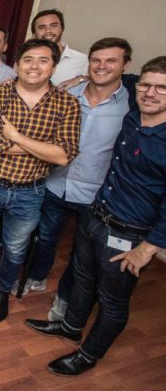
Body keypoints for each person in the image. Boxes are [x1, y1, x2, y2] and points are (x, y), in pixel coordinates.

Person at [24, 56, 166, 377]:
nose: (150, 92)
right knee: (83, 278)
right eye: (146, 84)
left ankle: (88, 355)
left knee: (112, 300)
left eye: (162, 88)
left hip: (129, 232)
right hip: (96, 213)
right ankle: (70, 327)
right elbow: (112, 75)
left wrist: (149, 247)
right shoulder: (133, 118)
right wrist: (73, 82)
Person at [0, 39, 81, 322]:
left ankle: (1, 291)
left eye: (43, 60)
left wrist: (17, 137)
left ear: (53, 66)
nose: (35, 66)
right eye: (28, 59)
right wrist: (43, 146)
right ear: (18, 64)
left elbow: (64, 155)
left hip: (29, 191)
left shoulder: (67, 104)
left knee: (16, 247)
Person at [15, 38, 132, 308]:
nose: (102, 67)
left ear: (125, 65)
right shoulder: (66, 95)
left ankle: (65, 298)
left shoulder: (131, 106)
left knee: (82, 251)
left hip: (95, 192)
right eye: (96, 60)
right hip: (56, 182)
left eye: (111, 61)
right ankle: (36, 276)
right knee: (44, 236)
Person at [31, 9, 88, 85]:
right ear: (34, 33)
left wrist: (83, 78)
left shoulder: (83, 60)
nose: (48, 31)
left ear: (62, 29)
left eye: (54, 26)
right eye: (41, 27)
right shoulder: (25, 59)